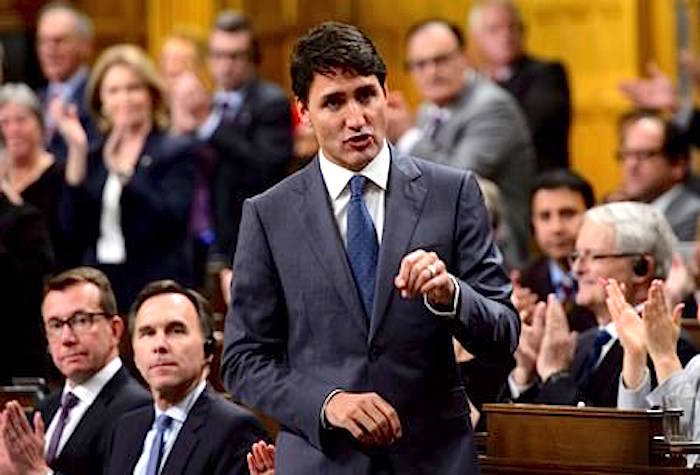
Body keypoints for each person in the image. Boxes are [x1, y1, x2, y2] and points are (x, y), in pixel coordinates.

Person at [222, 21, 519, 474]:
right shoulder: (268, 214)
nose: (356, 118)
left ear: (387, 94)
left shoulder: (452, 192)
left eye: (365, 95)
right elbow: (244, 360)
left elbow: (504, 331)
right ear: (302, 112)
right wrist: (328, 403)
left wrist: (451, 294)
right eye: (334, 102)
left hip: (434, 460)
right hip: (324, 460)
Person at [507, 202, 697, 407]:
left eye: (593, 256)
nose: (577, 269)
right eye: (576, 257)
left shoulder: (669, 347)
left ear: (641, 267)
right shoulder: (581, 342)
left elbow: (608, 434)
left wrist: (556, 376)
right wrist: (525, 374)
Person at [54, 44, 195, 311]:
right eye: (114, 91)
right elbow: (69, 230)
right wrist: (77, 152)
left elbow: (171, 220)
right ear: (101, 101)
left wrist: (124, 173)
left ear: (150, 94)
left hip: (156, 285)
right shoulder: (93, 155)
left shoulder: (174, 150)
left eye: (133, 88)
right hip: (100, 287)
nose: (124, 98)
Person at [387, 19, 535, 267]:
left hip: (496, 259)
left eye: (441, 60)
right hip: (442, 252)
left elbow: (456, 178)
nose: (431, 72)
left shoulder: (493, 106)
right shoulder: (426, 111)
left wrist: (406, 136)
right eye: (420, 64)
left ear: (465, 58)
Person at [106, 280, 268, 475]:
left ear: (208, 349)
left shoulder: (236, 430)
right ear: (133, 352)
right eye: (147, 333)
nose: (160, 345)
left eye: (176, 330)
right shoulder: (125, 428)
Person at [0, 266, 150, 475]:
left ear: (115, 330)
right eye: (55, 325)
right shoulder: (44, 410)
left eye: (81, 320)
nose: (67, 338)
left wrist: (37, 473)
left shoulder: (140, 410)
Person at [199, 10, 293, 288]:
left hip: (254, 235)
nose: (226, 65)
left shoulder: (271, 102)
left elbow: (265, 166)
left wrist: (212, 126)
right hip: (207, 238)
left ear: (253, 59)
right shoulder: (204, 102)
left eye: (235, 56)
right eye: (218, 55)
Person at [468, 0, 571, 171]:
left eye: (513, 27)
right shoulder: (472, 83)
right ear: (476, 38)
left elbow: (525, 128)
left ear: (524, 31)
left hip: (539, 182)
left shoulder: (547, 74)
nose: (506, 36)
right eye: (494, 29)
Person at [517, 169, 597, 333]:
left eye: (568, 214)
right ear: (533, 223)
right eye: (545, 216)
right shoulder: (524, 284)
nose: (557, 228)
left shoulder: (609, 279)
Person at [615, 109, 700, 242]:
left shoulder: (693, 217)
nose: (631, 165)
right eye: (626, 155)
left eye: (644, 155)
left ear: (678, 165)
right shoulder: (626, 213)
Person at [35, 2, 99, 162]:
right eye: (43, 41)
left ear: (85, 45)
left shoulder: (99, 96)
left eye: (59, 41)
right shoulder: (35, 99)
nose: (49, 50)